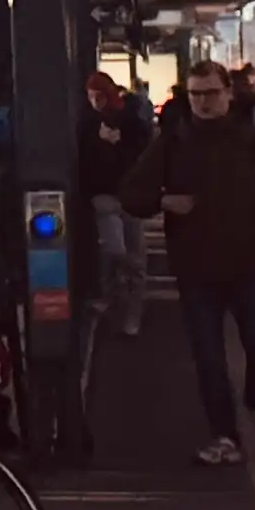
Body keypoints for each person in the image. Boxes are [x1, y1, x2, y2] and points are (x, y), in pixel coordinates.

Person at [118, 61, 255, 466]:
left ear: (228, 93)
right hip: (196, 270)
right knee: (208, 358)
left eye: (211, 93)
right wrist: (164, 201)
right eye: (196, 94)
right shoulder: (172, 144)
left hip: (250, 264)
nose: (203, 102)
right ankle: (224, 434)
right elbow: (131, 193)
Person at [77, 63, 158, 342]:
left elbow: (143, 154)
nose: (96, 102)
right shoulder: (88, 123)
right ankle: (113, 296)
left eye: (99, 96)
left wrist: (116, 144)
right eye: (92, 96)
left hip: (128, 196)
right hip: (106, 195)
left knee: (133, 258)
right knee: (117, 250)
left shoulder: (130, 122)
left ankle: (128, 309)